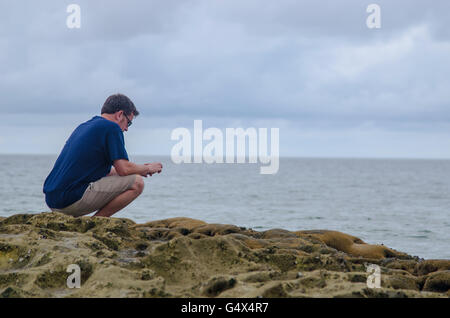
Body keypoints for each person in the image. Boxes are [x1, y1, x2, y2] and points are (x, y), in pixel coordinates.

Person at [43, 93, 162, 217]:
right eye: (128, 123)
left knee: (134, 176)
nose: (126, 129)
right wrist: (148, 168)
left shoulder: (85, 126)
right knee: (137, 183)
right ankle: (96, 222)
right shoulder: (111, 128)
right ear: (120, 114)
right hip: (69, 201)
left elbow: (106, 171)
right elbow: (123, 169)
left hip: (53, 200)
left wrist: (139, 169)